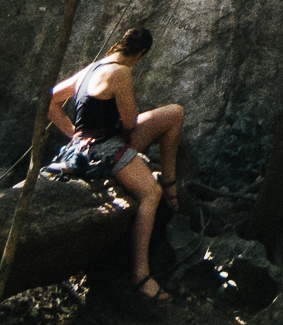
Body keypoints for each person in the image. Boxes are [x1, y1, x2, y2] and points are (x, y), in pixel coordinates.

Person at [47, 25, 185, 303]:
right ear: (141, 53)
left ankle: (171, 182)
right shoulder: (121, 73)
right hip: (101, 148)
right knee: (150, 193)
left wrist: (73, 131)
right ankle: (141, 275)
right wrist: (80, 134)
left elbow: (50, 99)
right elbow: (130, 122)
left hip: (96, 139)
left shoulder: (91, 69)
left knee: (175, 113)